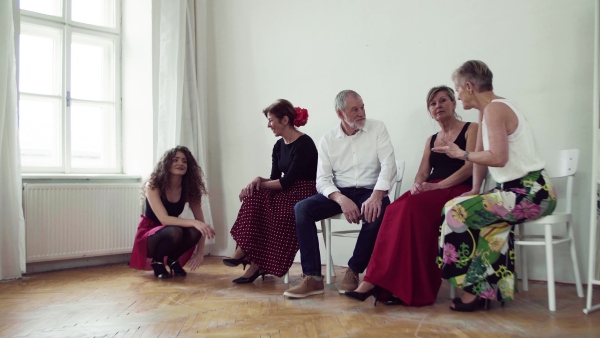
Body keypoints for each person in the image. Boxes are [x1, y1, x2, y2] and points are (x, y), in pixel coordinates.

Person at [432, 60, 556, 312]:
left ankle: (466, 283)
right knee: (487, 224)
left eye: (457, 90)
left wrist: (461, 155)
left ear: (469, 87)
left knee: (455, 212)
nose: (457, 95)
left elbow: (498, 157)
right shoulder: (486, 110)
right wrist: (476, 188)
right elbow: (480, 153)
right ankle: (481, 294)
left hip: (531, 193)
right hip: (517, 191)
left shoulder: (495, 110)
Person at [345, 85, 477, 306]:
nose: (438, 106)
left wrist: (438, 186)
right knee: (394, 209)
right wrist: (418, 186)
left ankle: (391, 285)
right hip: (433, 188)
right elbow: (423, 173)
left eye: (443, 100)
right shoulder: (431, 139)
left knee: (409, 210)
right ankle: (377, 281)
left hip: (459, 189)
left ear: (454, 104)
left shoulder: (472, 129)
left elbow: (470, 167)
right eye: (433, 104)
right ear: (429, 111)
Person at [283, 89, 397, 298]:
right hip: (341, 192)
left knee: (378, 212)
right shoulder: (327, 139)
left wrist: (375, 197)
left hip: (372, 190)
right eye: (355, 110)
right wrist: (340, 198)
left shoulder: (377, 128)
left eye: (362, 107)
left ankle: (353, 270)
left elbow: (389, 165)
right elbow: (323, 180)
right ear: (340, 114)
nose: (362, 113)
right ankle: (313, 278)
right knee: (302, 209)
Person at [224, 99, 318, 283]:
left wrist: (258, 182)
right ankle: (246, 254)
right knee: (255, 196)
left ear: (284, 120)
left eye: (270, 120)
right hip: (286, 190)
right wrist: (256, 183)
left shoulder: (305, 143)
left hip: (305, 192)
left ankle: (252, 260)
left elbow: (287, 181)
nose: (268, 125)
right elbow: (275, 177)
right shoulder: (278, 146)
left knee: (277, 210)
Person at [129, 146, 216, 278]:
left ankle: (173, 260)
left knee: (195, 229)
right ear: (166, 164)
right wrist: (194, 222)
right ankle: (157, 262)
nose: (180, 163)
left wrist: (200, 252)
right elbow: (164, 219)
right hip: (150, 236)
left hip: (172, 231)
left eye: (184, 161)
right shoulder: (153, 185)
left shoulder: (190, 189)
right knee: (175, 230)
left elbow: (202, 225)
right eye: (175, 160)